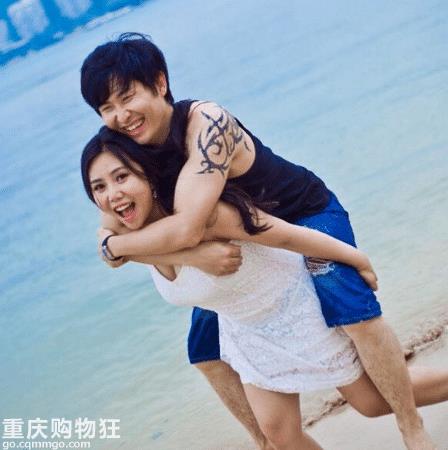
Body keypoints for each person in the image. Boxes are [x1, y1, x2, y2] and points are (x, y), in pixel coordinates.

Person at [80, 33, 435, 449]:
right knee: (205, 350)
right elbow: (110, 231)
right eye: (107, 108)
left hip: (303, 214)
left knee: (351, 311)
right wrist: (184, 254)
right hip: (250, 240)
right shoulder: (125, 149)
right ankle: (267, 443)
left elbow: (182, 228)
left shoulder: (206, 123)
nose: (121, 115)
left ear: (160, 83)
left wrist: (121, 248)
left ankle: (411, 428)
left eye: (127, 98)